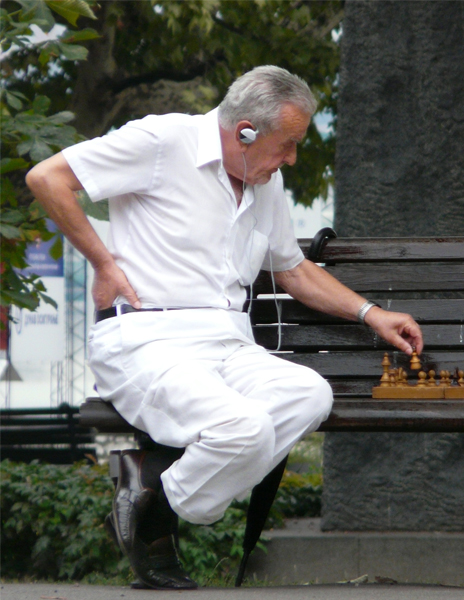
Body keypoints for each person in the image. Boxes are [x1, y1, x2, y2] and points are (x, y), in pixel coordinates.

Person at [26, 66, 424, 590]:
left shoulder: (266, 181)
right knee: (246, 429)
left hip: (229, 343)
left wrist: (372, 313)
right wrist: (103, 263)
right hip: (148, 340)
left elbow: (294, 270)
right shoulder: (163, 140)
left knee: (309, 394)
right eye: (287, 145)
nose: (292, 159)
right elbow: (46, 178)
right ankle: (161, 506)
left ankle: (153, 496)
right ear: (244, 132)